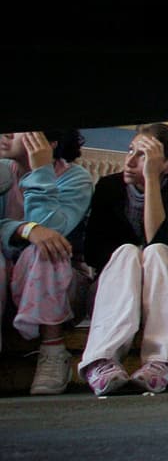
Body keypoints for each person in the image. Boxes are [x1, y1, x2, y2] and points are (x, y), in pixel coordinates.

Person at [79, 124, 168, 395]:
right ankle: (102, 360)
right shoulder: (109, 187)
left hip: (165, 292)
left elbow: (162, 241)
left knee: (155, 252)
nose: (130, 161)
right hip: (112, 293)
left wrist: (151, 180)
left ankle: (163, 360)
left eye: (143, 155)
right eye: (130, 150)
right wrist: (136, 253)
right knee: (127, 253)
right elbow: (94, 252)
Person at [0, 130, 92, 395]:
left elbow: (51, 228)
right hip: (9, 283)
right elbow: (34, 229)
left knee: (46, 250)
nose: (5, 134)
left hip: (61, 286)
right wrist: (25, 229)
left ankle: (53, 351)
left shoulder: (75, 178)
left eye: (17, 130)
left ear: (48, 143)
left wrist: (40, 170)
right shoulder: (3, 171)